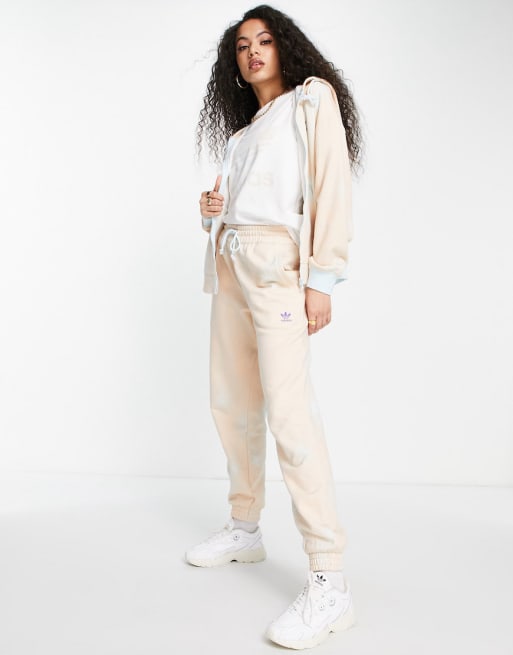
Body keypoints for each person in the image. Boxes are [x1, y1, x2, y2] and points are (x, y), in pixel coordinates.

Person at [186, 4, 363, 650]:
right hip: (230, 265)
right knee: (231, 403)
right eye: (242, 46)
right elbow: (248, 202)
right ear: (233, 64)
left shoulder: (311, 101)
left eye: (264, 40)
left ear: (285, 47)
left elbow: (330, 187)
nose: (253, 51)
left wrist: (323, 280)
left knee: (290, 417)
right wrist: (212, 209)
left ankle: (329, 581)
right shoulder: (243, 134)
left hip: (278, 272)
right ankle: (245, 527)